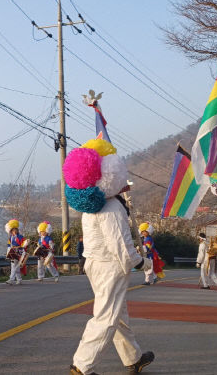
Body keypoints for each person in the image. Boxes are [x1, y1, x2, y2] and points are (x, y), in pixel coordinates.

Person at [64, 135, 154, 375]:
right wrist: (144, 263)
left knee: (118, 313)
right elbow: (122, 248)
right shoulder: (112, 207)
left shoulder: (91, 207)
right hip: (111, 267)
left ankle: (133, 357)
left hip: (95, 264)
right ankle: (82, 365)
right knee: (106, 317)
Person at [4, 219, 25, 285]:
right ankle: (19, 279)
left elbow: (23, 246)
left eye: (15, 229)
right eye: (13, 230)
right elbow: (8, 246)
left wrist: (22, 249)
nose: (14, 231)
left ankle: (11, 279)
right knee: (14, 267)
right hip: (12, 253)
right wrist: (8, 254)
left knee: (15, 267)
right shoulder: (10, 238)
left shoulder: (21, 237)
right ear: (11, 231)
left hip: (19, 253)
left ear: (18, 230)